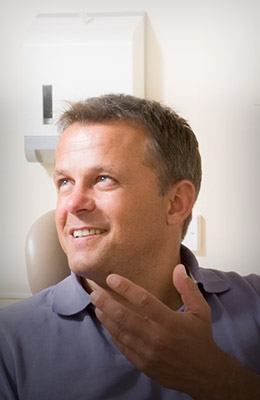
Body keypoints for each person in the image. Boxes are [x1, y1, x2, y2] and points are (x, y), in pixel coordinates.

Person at [0, 94, 259, 400]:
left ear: (176, 203)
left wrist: (219, 379)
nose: (73, 203)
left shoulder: (255, 305)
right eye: (65, 182)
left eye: (103, 179)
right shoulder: (8, 340)